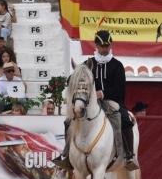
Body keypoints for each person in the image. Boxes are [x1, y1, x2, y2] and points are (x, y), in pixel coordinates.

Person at [55, 30, 138, 171]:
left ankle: (128, 155)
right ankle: (66, 155)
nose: (104, 49)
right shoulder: (88, 63)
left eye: (107, 46)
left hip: (111, 101)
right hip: (89, 102)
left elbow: (121, 90)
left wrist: (103, 94)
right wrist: (75, 77)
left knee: (125, 119)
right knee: (68, 121)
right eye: (101, 46)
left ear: (111, 45)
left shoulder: (117, 65)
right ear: (96, 46)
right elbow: (72, 79)